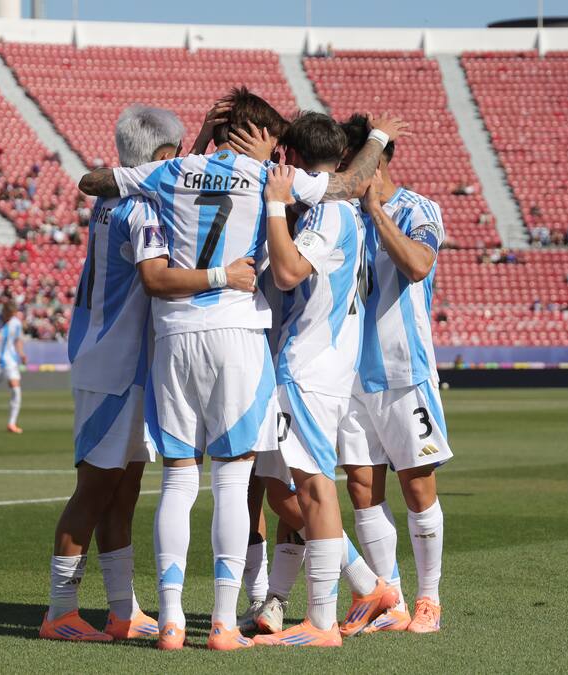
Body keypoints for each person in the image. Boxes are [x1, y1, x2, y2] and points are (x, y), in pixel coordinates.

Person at [77, 87, 405, 651]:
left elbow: (92, 182)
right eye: (274, 141)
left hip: (174, 337)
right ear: (259, 136)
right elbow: (349, 187)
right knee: (234, 480)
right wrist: (378, 136)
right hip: (240, 336)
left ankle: (173, 622)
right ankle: (226, 624)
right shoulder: (266, 178)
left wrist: (193, 153)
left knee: (179, 479)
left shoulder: (174, 169)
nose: (279, 153)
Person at [42, 105, 258, 644]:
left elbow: (176, 180)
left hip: (130, 364)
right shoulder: (140, 212)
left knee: (124, 489)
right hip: (113, 365)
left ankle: (122, 610)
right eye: (176, 154)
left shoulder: (120, 199)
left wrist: (203, 138)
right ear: (163, 158)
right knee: (94, 490)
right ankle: (60, 610)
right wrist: (223, 275)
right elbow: (159, 278)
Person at [246, 113, 398, 648]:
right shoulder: (333, 210)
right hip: (308, 365)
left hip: (310, 366)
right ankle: (364, 584)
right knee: (276, 483)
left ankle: (321, 621)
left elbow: (288, 274)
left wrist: (272, 206)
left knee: (311, 486)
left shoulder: (330, 214)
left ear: (289, 156)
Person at [333, 114, 454, 634]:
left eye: (352, 160)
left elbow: (419, 265)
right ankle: (392, 598)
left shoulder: (417, 209)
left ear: (376, 160)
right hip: (347, 373)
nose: (345, 170)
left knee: (417, 487)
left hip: (404, 369)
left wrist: (376, 214)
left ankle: (430, 599)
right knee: (362, 487)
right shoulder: (337, 215)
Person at [0, 300, 26, 434]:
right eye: (9, 315)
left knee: (16, 389)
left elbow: (18, 340)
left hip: (10, 361)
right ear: (4, 311)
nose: (11, 318)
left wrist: (21, 353)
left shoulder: (16, 323)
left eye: (13, 315)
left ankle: (12, 423)